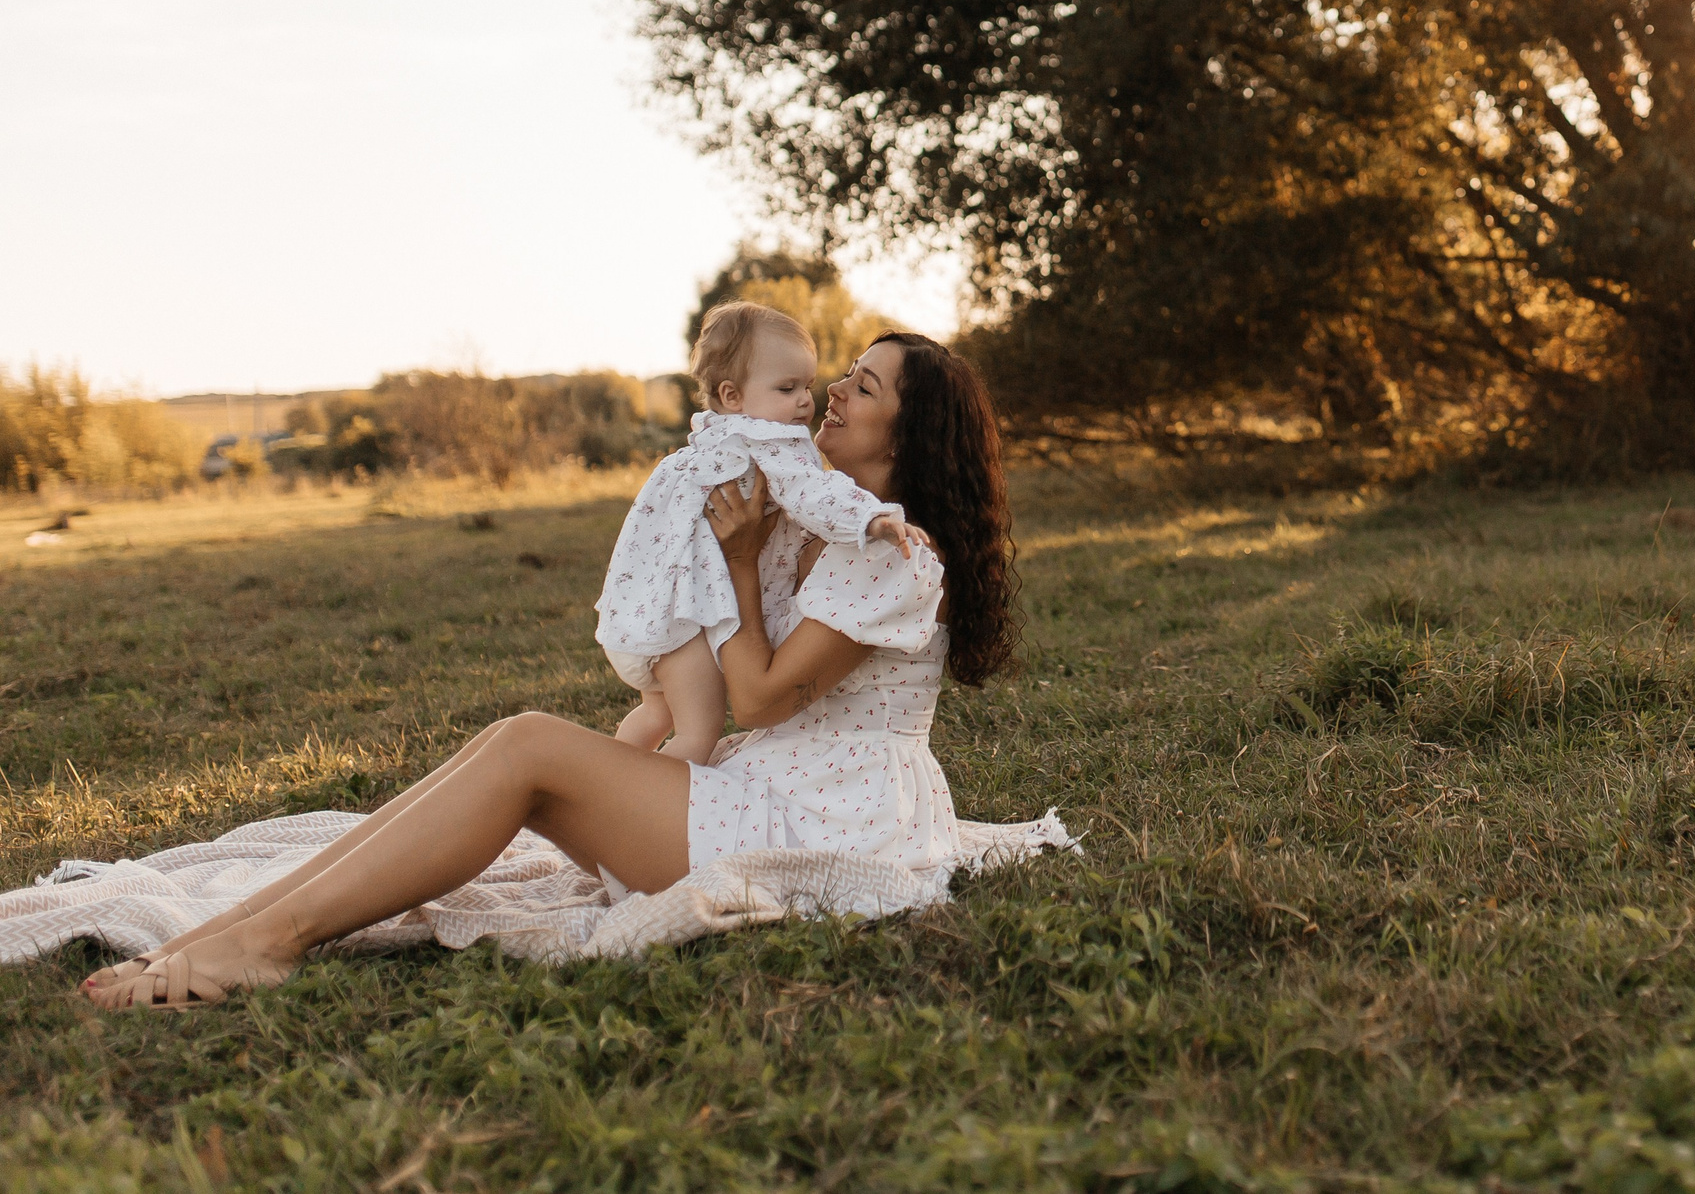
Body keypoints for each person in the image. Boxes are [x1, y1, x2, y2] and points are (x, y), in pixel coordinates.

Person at [80, 333, 1025, 1008]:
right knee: (508, 740)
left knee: (528, 746)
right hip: (766, 784)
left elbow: (761, 696)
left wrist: (738, 562)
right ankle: (224, 932)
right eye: (845, 375)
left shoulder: (899, 557)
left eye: (863, 387)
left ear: (909, 435)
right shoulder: (813, 525)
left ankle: (271, 942)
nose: (835, 393)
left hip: (833, 821)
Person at [596, 301, 920, 763]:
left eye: (805, 385)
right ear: (732, 396)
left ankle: (604, 779)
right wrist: (868, 519)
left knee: (656, 713)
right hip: (689, 619)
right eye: (787, 388)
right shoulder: (771, 444)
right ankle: (619, 793)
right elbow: (813, 492)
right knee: (698, 732)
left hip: (644, 612)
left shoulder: (707, 441)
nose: (808, 399)